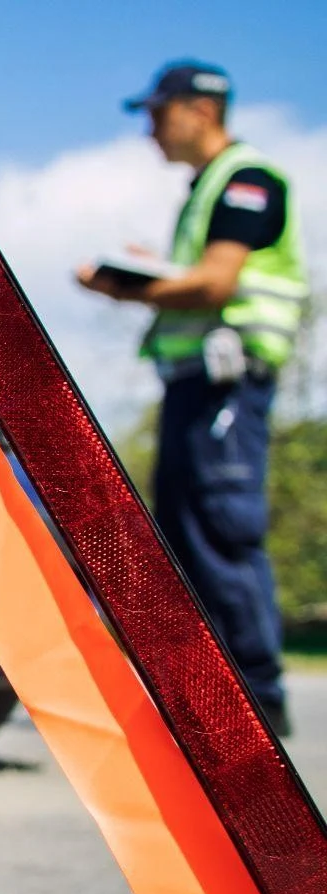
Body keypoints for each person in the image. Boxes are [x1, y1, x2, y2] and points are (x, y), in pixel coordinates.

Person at [78, 60, 308, 737]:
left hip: (226, 385)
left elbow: (214, 284)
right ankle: (211, 699)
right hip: (194, 386)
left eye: (157, 114)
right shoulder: (207, 188)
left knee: (221, 528)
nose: (150, 129)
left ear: (199, 110)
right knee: (183, 529)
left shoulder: (246, 180)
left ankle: (257, 704)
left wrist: (130, 287)